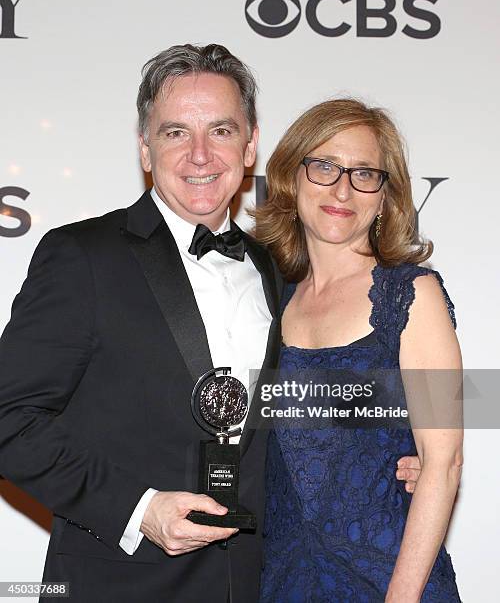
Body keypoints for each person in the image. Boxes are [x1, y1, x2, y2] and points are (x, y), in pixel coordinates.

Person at [0, 46, 420, 602]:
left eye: (221, 130)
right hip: (120, 584)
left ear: (249, 148)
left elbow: (326, 392)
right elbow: (8, 418)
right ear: (145, 149)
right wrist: (138, 509)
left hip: (260, 582)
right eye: (175, 132)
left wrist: (406, 442)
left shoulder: (283, 271)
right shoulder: (84, 257)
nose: (200, 154)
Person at [255, 99, 463, 602]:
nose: (342, 189)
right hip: (281, 577)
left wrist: (402, 597)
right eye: (324, 165)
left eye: (365, 173)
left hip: (389, 577)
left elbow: (444, 461)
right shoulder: (266, 296)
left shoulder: (411, 294)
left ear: (385, 197)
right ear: (292, 177)